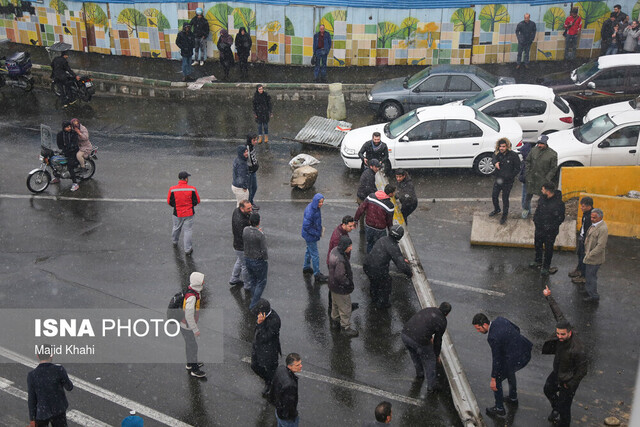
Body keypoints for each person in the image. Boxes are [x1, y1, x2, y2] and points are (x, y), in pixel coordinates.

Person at [542, 286, 588, 427]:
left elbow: (582, 371)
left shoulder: (578, 349)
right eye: (558, 334)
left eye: (562, 335)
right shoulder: (563, 328)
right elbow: (558, 314)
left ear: (569, 333)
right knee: (548, 389)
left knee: (565, 410)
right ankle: (556, 408)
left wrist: (570, 385)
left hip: (568, 380)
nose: (559, 337)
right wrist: (549, 296)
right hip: (558, 371)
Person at [472, 313, 533, 417]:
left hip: (517, 358)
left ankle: (499, 408)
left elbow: (497, 359)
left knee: (497, 381)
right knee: (510, 371)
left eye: (478, 328)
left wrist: (493, 378)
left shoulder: (492, 337)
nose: (478, 331)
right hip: (525, 350)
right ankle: (513, 398)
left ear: (484, 325)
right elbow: (517, 329)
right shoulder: (500, 320)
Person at [401, 302, 451, 393]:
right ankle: (431, 386)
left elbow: (421, 322)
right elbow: (437, 340)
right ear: (447, 314)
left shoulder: (429, 310)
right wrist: (436, 355)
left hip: (405, 334)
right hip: (419, 339)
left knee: (414, 353)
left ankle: (420, 374)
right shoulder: (442, 321)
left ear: (438, 307)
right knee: (430, 359)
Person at [363, 225, 412, 309]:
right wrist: (409, 273)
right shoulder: (393, 246)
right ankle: (383, 304)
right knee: (386, 284)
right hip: (378, 270)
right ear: (399, 237)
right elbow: (402, 266)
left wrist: (401, 258)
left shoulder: (383, 239)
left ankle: (374, 298)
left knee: (373, 282)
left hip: (367, 265)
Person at [27, 346, 74, 427]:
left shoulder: (32, 375)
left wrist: (32, 419)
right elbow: (69, 387)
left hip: (41, 413)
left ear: (38, 356)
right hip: (58, 410)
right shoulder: (59, 369)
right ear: (51, 355)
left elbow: (32, 399)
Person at [531, 182, 565, 275]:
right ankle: (538, 260)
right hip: (539, 228)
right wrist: (536, 221)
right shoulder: (542, 198)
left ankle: (546, 266)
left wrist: (550, 227)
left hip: (550, 231)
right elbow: (538, 210)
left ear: (547, 191)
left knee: (548, 248)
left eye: (543, 189)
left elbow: (560, 218)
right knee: (537, 244)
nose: (541, 191)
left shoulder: (559, 203)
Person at [251, 298, 282, 397]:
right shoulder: (261, 316)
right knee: (254, 366)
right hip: (258, 348)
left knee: (271, 370)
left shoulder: (275, 320)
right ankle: (268, 381)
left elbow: (265, 337)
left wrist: (260, 324)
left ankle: (271, 385)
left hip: (269, 351)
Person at [326, 215, 357, 313]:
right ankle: (336, 306)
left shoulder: (342, 232)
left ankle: (334, 306)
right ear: (344, 224)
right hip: (337, 264)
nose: (352, 228)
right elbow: (338, 255)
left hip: (337, 263)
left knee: (334, 286)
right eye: (350, 226)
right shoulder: (338, 237)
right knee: (337, 285)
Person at [328, 235, 358, 337]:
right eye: (350, 246)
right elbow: (340, 276)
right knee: (345, 307)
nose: (351, 248)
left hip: (332, 286)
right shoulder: (340, 259)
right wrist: (348, 283)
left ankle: (335, 322)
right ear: (345, 246)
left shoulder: (334, 250)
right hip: (341, 289)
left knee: (335, 305)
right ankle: (345, 328)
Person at [523, 135, 557, 219]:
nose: (539, 145)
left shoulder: (552, 154)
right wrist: (528, 173)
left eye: (542, 144)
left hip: (542, 181)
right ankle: (526, 209)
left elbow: (553, 168)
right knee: (527, 196)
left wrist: (547, 178)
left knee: (543, 199)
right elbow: (527, 161)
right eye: (539, 143)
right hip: (531, 179)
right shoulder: (533, 150)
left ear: (546, 144)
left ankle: (541, 212)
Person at [355, 184, 396, 253]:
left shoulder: (371, 196)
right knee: (381, 247)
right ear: (391, 194)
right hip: (380, 230)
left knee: (370, 244)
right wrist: (391, 233)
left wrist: (356, 219)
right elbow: (389, 222)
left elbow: (361, 208)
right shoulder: (390, 206)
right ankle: (378, 261)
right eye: (394, 192)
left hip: (369, 226)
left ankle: (369, 259)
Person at [167, 171, 200, 255]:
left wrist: (177, 206)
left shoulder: (172, 189)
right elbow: (197, 201)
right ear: (186, 179)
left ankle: (174, 241)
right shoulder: (192, 188)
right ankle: (187, 249)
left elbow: (169, 202)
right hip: (189, 213)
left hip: (177, 213)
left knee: (176, 227)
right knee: (188, 231)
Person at [180, 272, 206, 377]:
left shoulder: (192, 290)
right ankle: (194, 370)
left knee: (189, 345)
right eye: (202, 280)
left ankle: (190, 364)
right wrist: (195, 329)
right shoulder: (192, 297)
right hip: (186, 326)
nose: (204, 282)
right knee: (193, 347)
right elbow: (189, 315)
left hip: (184, 325)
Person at [489, 138, 521, 225]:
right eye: (500, 146)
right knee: (494, 196)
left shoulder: (513, 155)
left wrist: (510, 176)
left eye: (503, 146)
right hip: (498, 179)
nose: (501, 148)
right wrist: (495, 162)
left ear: (507, 146)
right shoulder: (497, 153)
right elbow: (493, 158)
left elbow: (517, 168)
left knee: (505, 198)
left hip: (508, 181)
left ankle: (504, 215)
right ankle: (497, 209)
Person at [582, 208, 608, 302]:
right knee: (589, 275)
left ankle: (593, 295)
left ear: (600, 217)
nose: (592, 219)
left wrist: (589, 254)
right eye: (591, 217)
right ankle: (589, 291)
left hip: (594, 258)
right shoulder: (594, 225)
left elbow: (601, 246)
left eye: (594, 217)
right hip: (589, 256)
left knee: (591, 276)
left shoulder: (602, 229)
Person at [244, 212, 269, 310]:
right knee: (261, 282)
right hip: (258, 260)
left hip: (247, 258)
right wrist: (265, 259)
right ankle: (254, 304)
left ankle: (255, 298)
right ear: (259, 222)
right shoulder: (260, 235)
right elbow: (264, 250)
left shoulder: (245, 230)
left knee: (253, 280)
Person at [301, 193, 328, 283]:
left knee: (309, 250)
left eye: (322, 202)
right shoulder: (311, 211)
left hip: (309, 235)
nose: (321, 204)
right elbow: (306, 226)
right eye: (320, 202)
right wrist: (317, 233)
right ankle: (317, 274)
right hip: (311, 236)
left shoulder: (313, 208)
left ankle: (306, 267)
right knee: (315, 255)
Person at [271, 353, 302, 427]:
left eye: (300, 363)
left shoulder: (281, 369)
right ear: (290, 366)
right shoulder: (290, 385)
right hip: (287, 418)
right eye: (297, 365)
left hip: (278, 411)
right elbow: (289, 406)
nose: (300, 366)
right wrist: (293, 416)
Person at [568, 197, 593, 285]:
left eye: (583, 206)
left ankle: (583, 276)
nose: (581, 208)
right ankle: (579, 270)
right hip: (582, 238)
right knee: (580, 254)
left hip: (586, 240)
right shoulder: (586, 214)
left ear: (589, 206)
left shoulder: (591, 217)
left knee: (584, 258)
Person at [230, 199, 252, 287]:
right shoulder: (242, 221)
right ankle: (247, 285)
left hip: (237, 245)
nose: (251, 210)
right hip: (242, 246)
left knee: (240, 261)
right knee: (245, 266)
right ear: (242, 209)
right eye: (248, 208)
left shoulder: (236, 211)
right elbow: (245, 235)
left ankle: (234, 278)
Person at [56, 121, 80, 192]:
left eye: (70, 126)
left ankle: (75, 183)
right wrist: (63, 149)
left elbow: (74, 144)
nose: (69, 128)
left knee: (70, 166)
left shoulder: (74, 133)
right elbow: (59, 144)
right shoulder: (60, 134)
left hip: (73, 152)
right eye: (67, 127)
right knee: (56, 161)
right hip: (65, 151)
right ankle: (57, 177)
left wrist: (69, 148)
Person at [518, 141, 533, 214]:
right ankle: (527, 211)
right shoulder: (526, 160)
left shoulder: (528, 161)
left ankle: (526, 211)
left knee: (526, 198)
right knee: (526, 198)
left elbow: (526, 173)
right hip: (526, 182)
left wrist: (522, 178)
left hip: (528, 182)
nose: (521, 154)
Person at [246, 133, 260, 210]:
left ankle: (250, 202)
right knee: (250, 189)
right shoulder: (247, 148)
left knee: (254, 187)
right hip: (250, 172)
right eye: (254, 140)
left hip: (253, 171)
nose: (256, 141)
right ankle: (249, 203)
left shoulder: (252, 147)